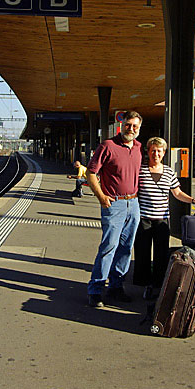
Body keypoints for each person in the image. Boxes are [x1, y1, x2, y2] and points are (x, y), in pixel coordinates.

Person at [134, 137, 195, 301]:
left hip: (162, 220)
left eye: (159, 151)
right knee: (143, 253)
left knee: (161, 254)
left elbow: (177, 193)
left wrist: (194, 200)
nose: (156, 154)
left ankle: (159, 284)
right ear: (148, 151)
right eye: (153, 150)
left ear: (164, 153)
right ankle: (146, 285)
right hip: (143, 219)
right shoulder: (140, 170)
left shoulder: (168, 172)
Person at [85, 111, 144, 308]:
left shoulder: (138, 148)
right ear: (122, 125)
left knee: (126, 249)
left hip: (133, 204)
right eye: (128, 125)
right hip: (114, 204)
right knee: (109, 246)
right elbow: (91, 173)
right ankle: (95, 290)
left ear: (139, 128)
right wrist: (101, 196)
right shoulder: (108, 146)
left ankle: (116, 287)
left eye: (135, 126)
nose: (131, 129)